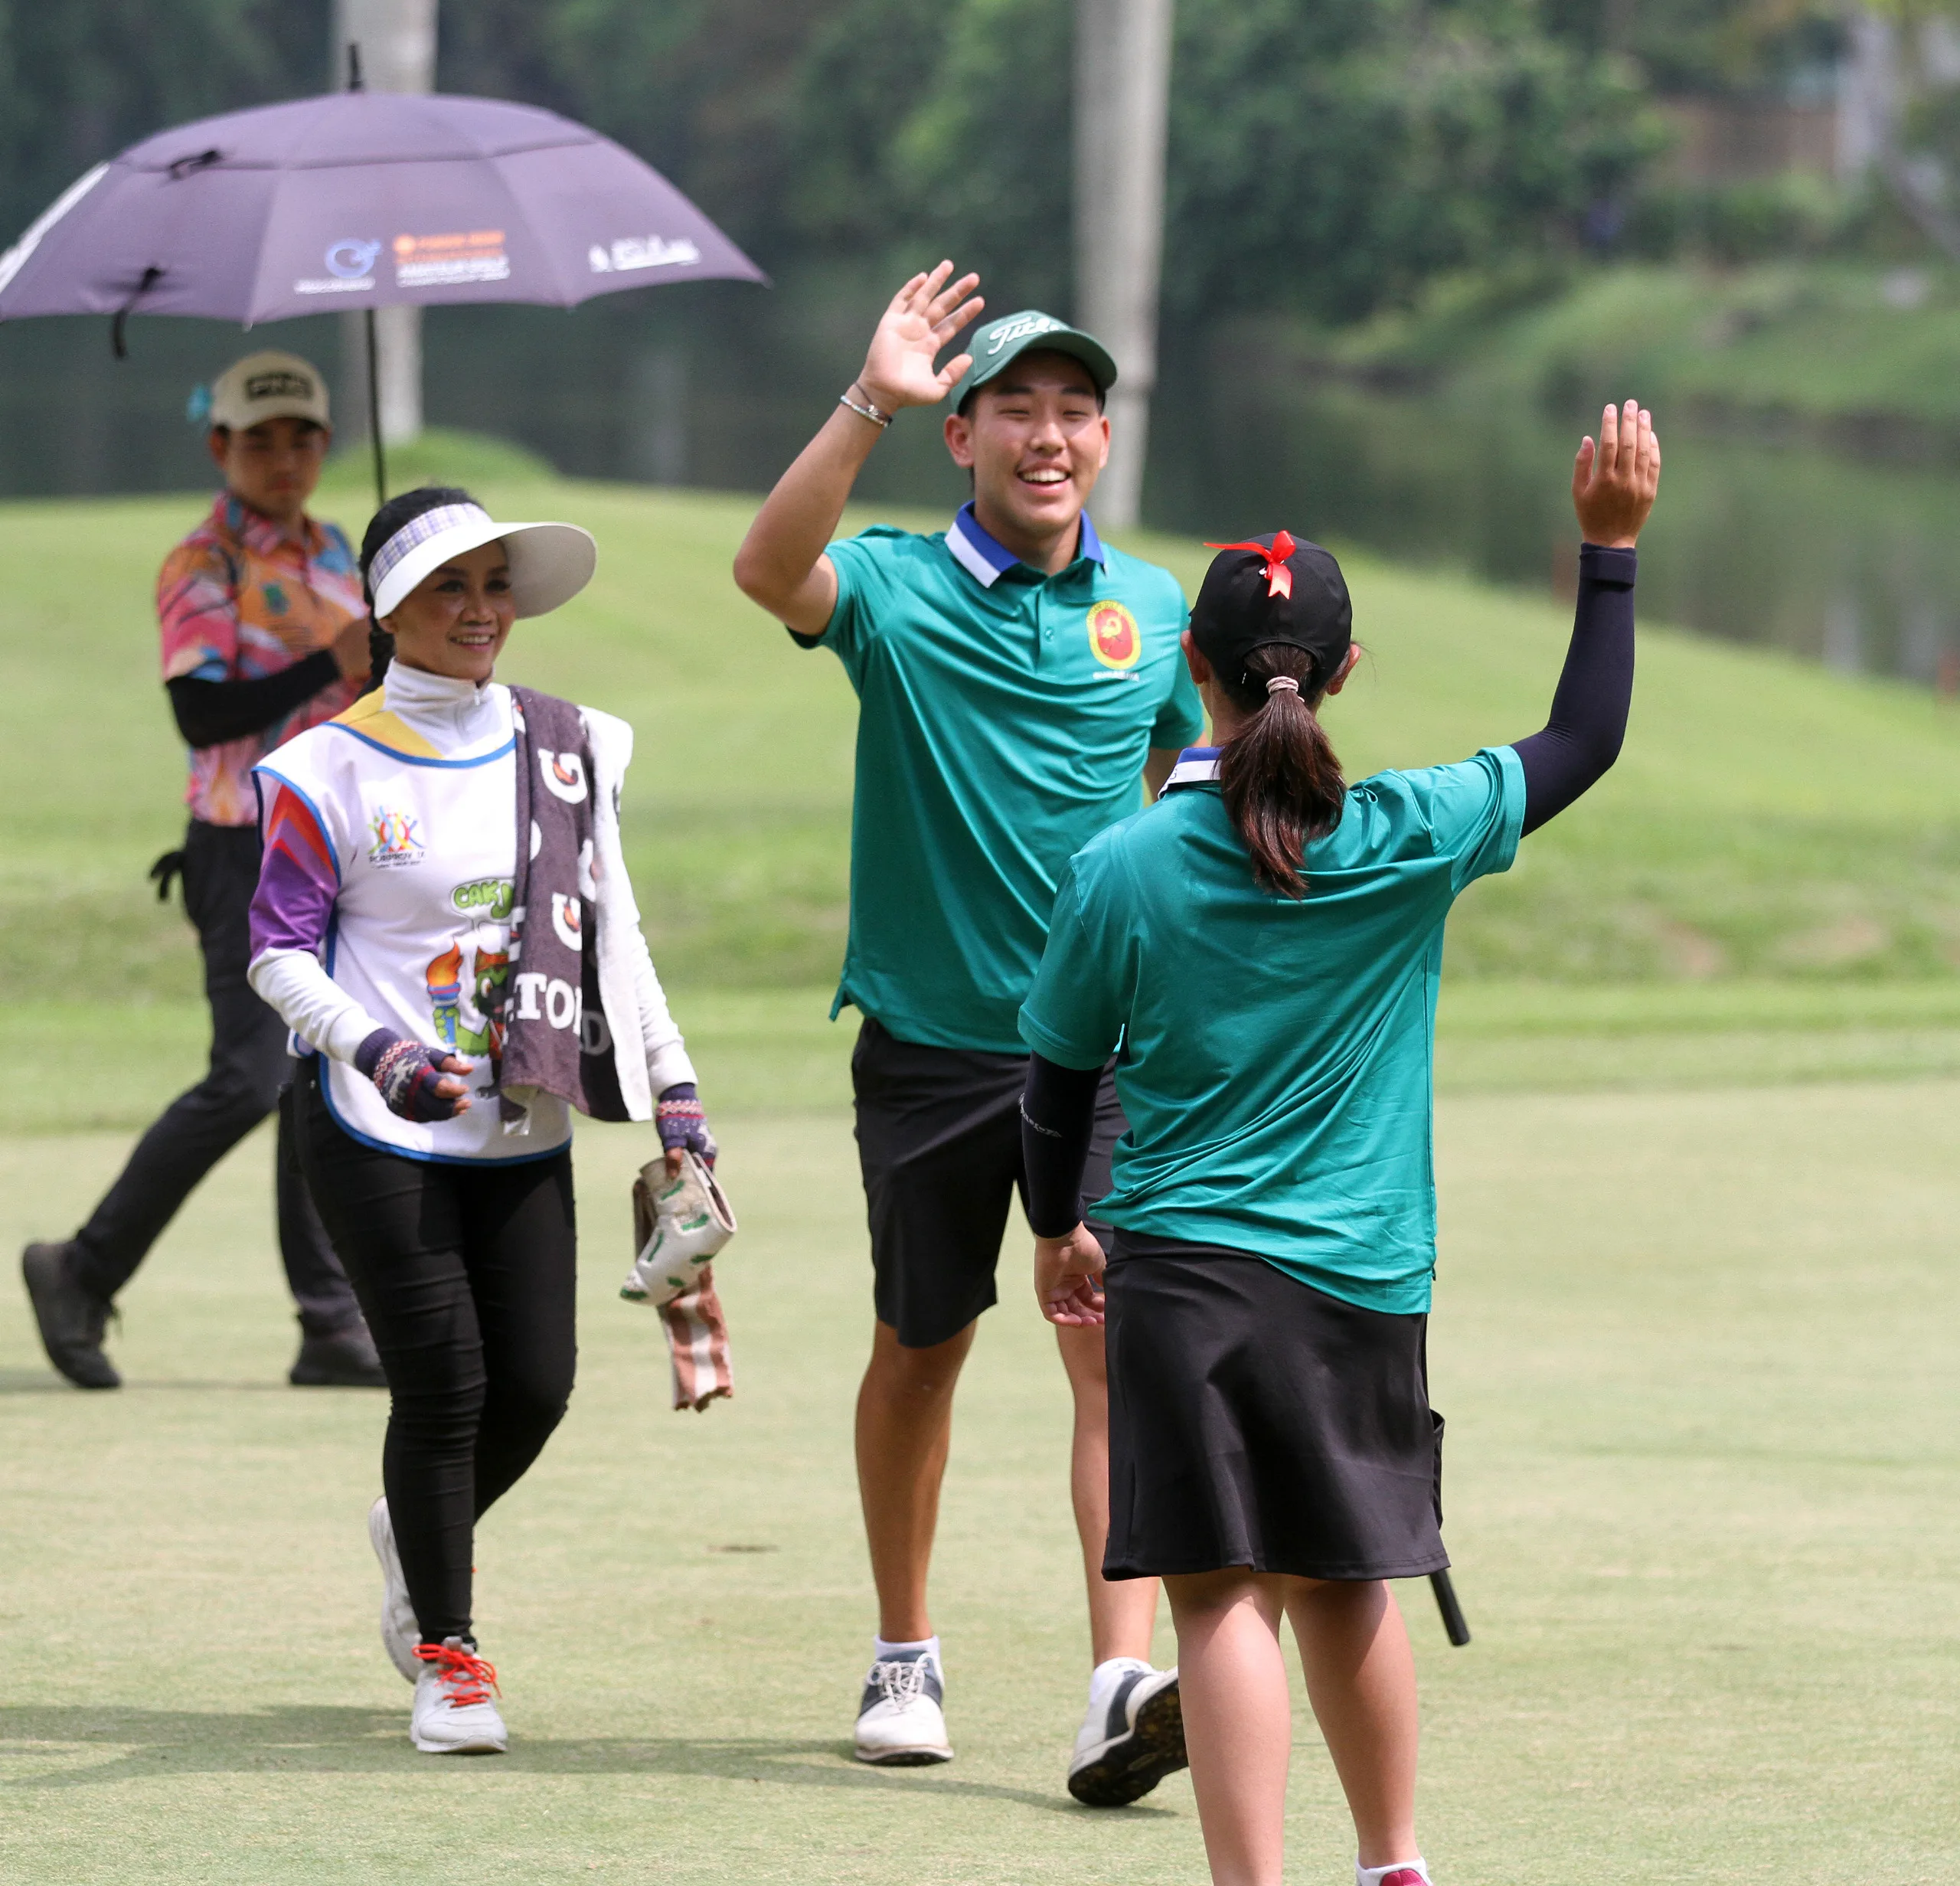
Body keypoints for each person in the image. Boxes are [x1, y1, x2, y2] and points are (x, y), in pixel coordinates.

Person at [1014, 402, 1660, 1885]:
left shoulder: (1119, 866)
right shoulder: (1407, 829)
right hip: (1365, 1278)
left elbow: (1054, 1088)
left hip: (1185, 1282)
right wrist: (1607, 551)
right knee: (1351, 1584)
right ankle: (1393, 1864)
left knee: (1219, 1597)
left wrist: (1057, 1222)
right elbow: (1584, 738)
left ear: (1191, 669)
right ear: (1344, 673)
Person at [733, 263, 1204, 1799]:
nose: (1050, 435)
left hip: (1108, 1053)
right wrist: (870, 392)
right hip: (932, 1044)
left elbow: (1181, 808)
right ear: (966, 434)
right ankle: (902, 1649)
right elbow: (764, 566)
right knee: (920, 1350)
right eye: (1017, 408)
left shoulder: (1146, 607)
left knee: (1110, 1352)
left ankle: (1117, 1673)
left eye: (1076, 409)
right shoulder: (889, 588)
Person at [244, 485, 718, 1755]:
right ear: (387, 608)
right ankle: (450, 1656)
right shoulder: (316, 770)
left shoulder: (572, 746)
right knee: (444, 1386)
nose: (479, 609)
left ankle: (410, 1532)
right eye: (449, 587)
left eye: (495, 583)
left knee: (541, 1385)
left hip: (523, 1124)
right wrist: (378, 1046)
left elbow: (616, 941)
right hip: (370, 1120)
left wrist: (674, 1088)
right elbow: (278, 956)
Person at [22, 350, 381, 1391]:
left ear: (324, 445)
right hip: (238, 843)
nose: (283, 457)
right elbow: (201, 710)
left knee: (317, 1073)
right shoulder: (202, 564)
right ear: (220, 447)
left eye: (302, 436)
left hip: (330, 838)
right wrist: (335, 657)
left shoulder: (340, 550)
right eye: (258, 439)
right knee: (251, 1075)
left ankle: (329, 1320)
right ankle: (80, 1268)